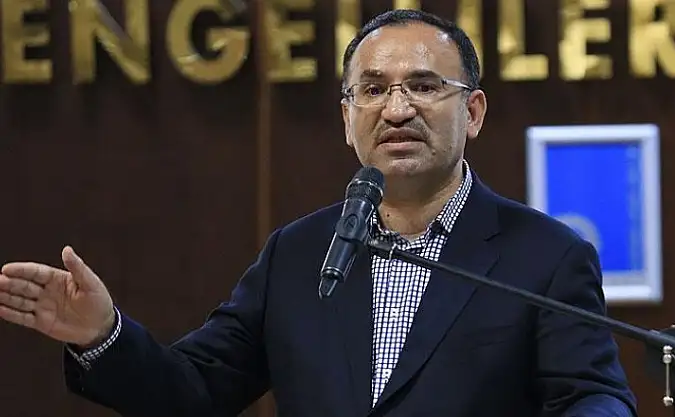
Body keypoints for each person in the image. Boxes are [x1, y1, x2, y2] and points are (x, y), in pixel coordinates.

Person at [0, 9, 637, 417]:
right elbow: (194, 391)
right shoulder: (297, 254)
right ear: (346, 118)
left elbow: (594, 397)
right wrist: (103, 335)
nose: (397, 109)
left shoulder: (546, 254)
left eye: (423, 86)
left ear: (472, 113)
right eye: (373, 90)